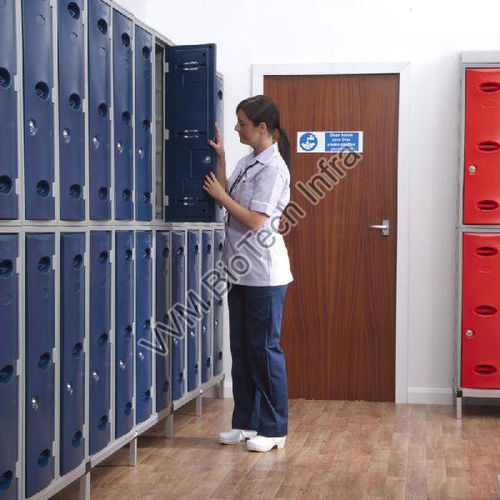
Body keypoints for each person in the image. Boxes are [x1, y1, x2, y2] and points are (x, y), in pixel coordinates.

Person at [203, 95, 293, 453]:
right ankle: (246, 423)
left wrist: (220, 197)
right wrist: (223, 158)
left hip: (264, 275)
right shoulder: (248, 160)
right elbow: (229, 192)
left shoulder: (275, 168)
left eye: (241, 124)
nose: (237, 128)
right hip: (240, 270)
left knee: (264, 350)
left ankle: (274, 429)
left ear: (262, 128)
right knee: (242, 349)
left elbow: (256, 221)